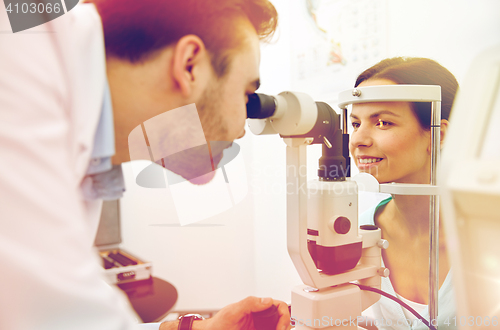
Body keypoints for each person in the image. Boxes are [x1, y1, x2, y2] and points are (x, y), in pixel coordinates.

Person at [0, 1, 291, 330]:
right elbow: (50, 315)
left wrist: (193, 329)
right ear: (190, 66)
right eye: (246, 94)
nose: (242, 127)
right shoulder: (17, 54)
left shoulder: (83, 145)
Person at [349, 57, 459, 330]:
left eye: (383, 123)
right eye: (355, 124)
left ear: (439, 134)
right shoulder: (359, 230)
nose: (359, 140)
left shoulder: (484, 233)